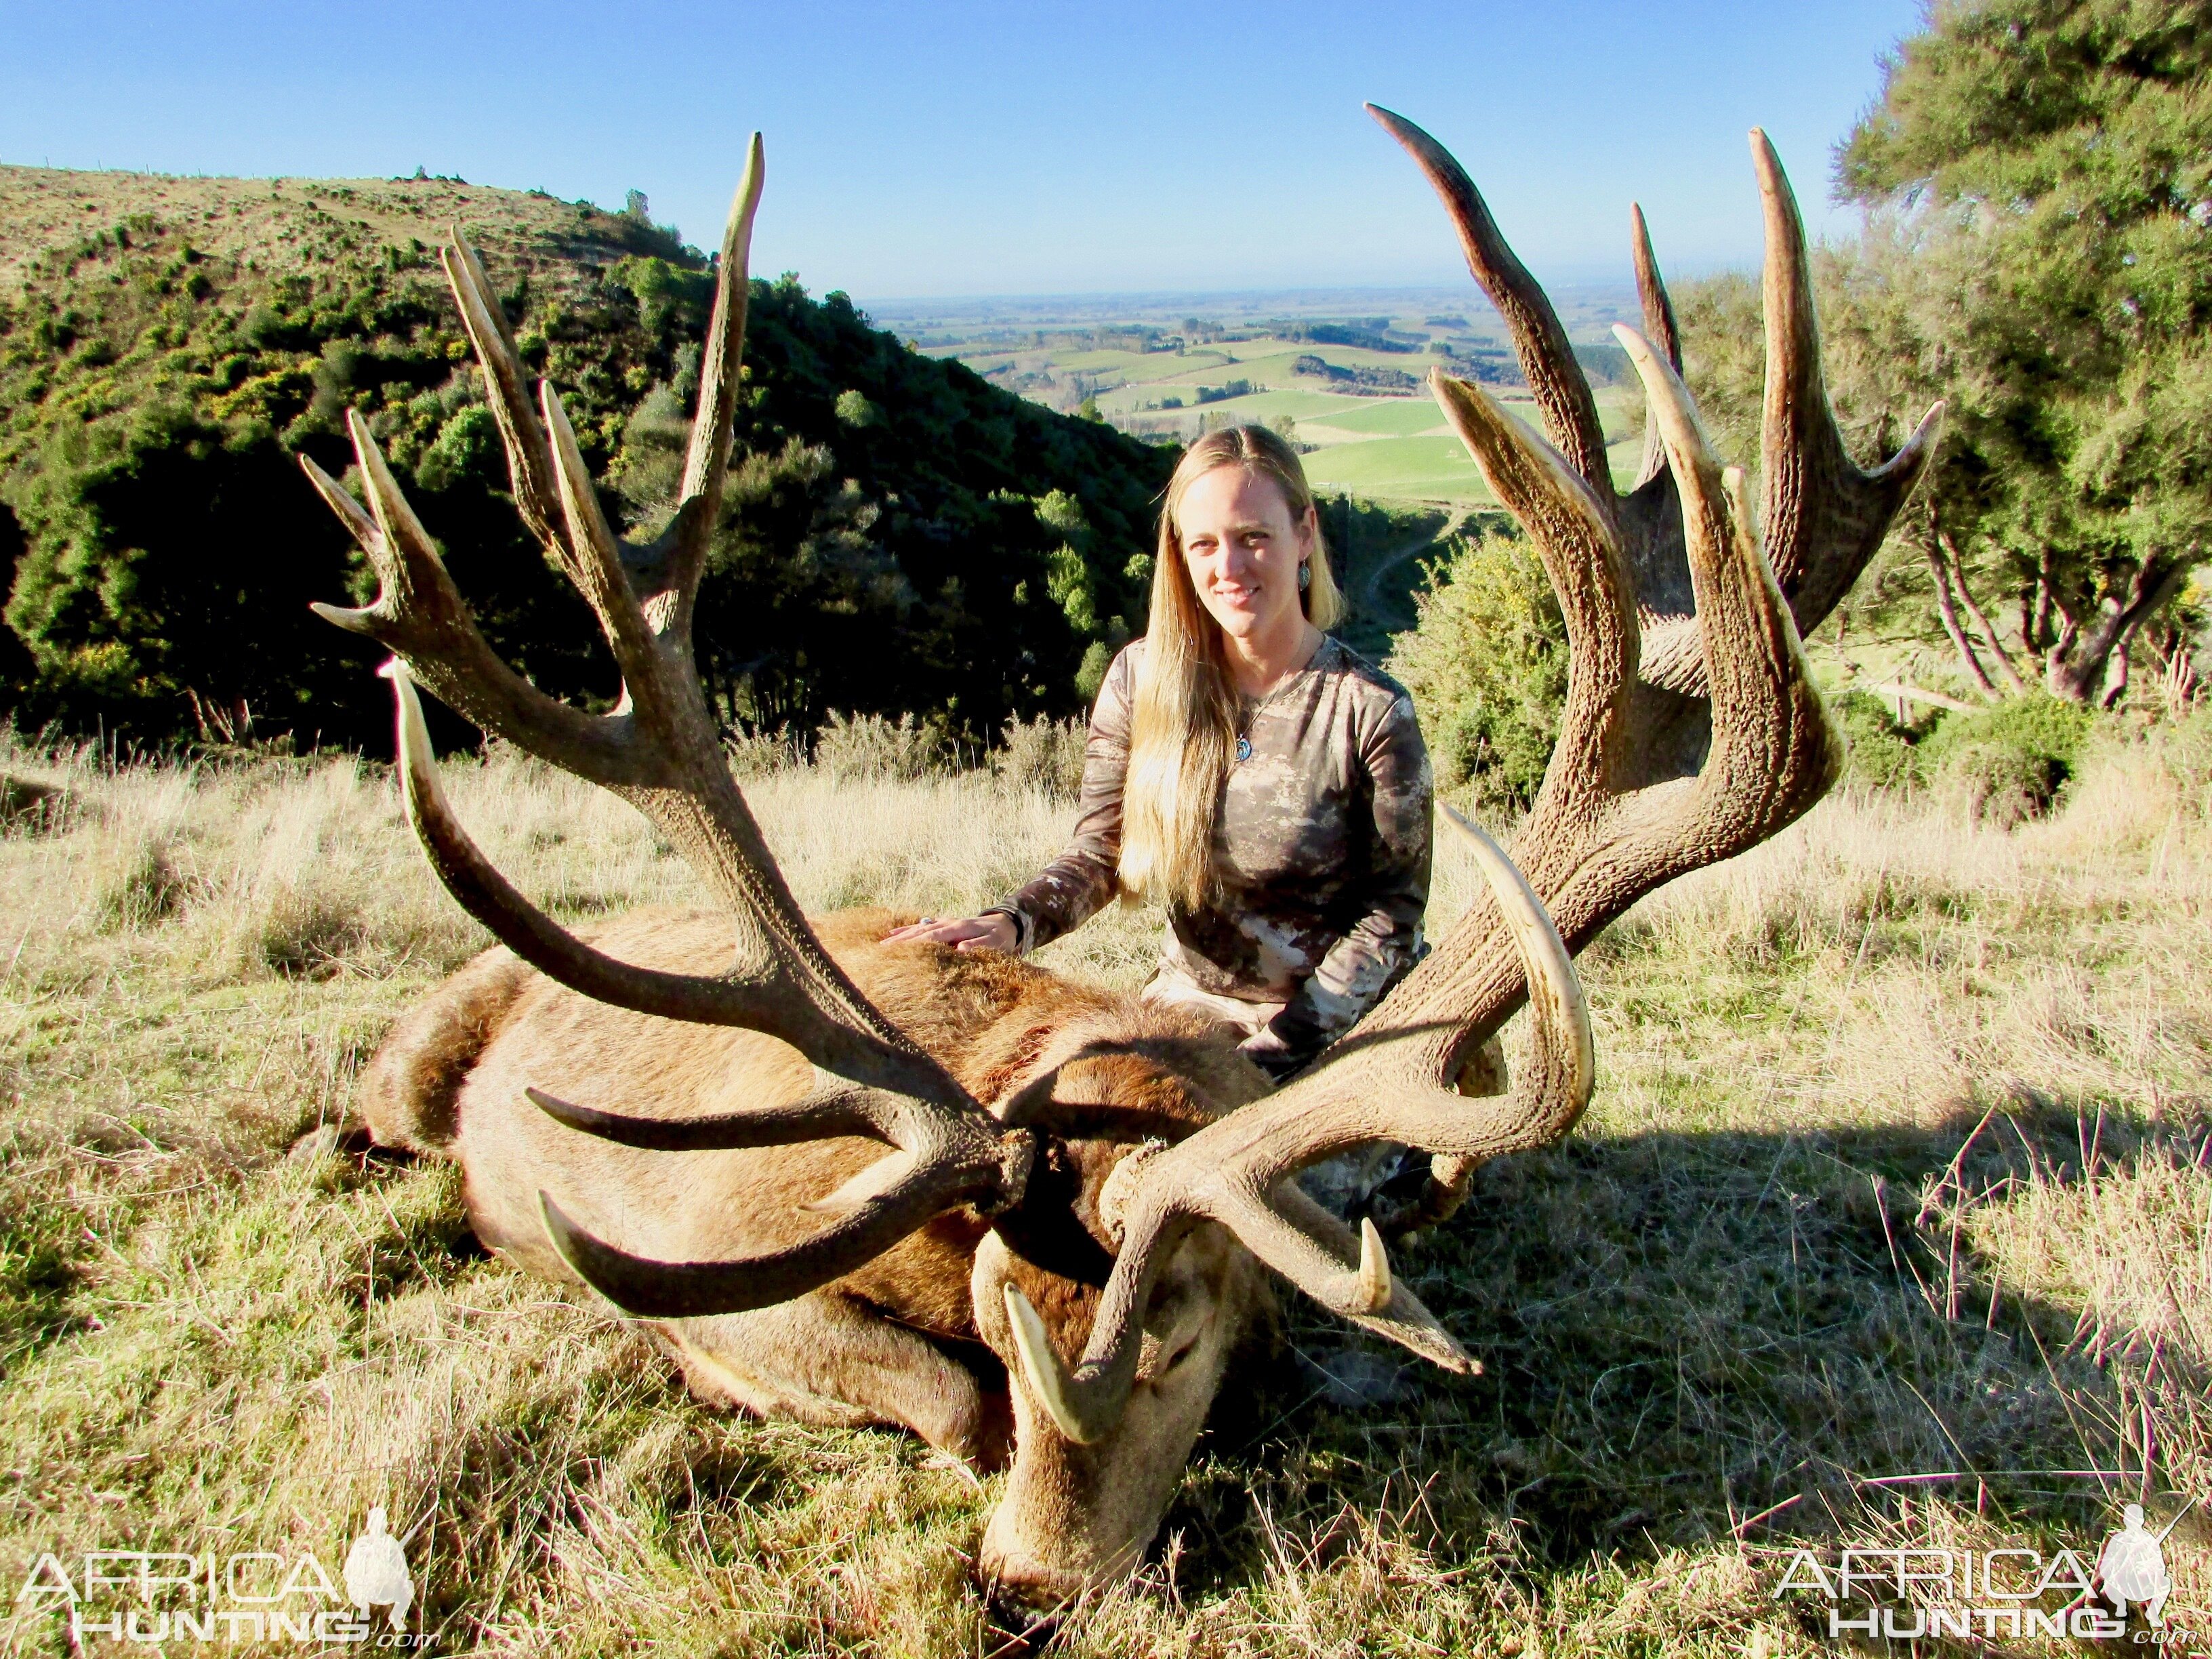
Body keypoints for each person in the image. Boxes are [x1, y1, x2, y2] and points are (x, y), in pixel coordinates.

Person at [888, 423, 1432, 1083]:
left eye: (1253, 537)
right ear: (1180, 552)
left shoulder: (1371, 711)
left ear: (1305, 533)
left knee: (1304, 1185)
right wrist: (1013, 923)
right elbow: (1102, 852)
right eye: (1204, 543)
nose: (1228, 568)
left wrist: (1277, 1054)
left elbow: (1390, 921)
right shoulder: (1140, 681)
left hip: (1337, 1024)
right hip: (1192, 1009)